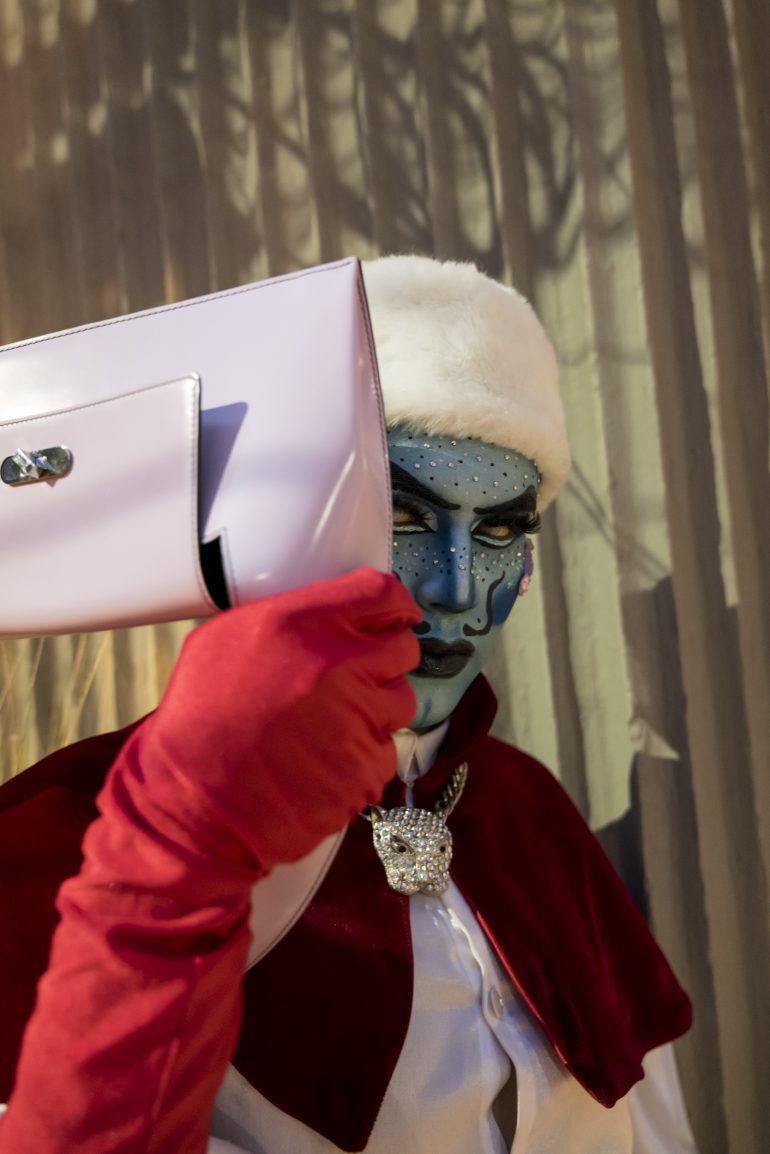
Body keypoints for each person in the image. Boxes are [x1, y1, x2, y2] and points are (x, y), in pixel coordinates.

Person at [0, 256, 698, 1153]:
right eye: (403, 516)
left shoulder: (528, 813)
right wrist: (179, 840)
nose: (455, 590)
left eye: (498, 530)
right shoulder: (83, 825)